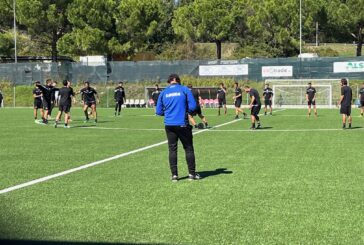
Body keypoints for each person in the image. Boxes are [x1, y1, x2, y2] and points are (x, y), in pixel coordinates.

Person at [156, 74, 200, 182]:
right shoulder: (184, 89)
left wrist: (169, 113)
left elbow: (158, 111)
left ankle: (174, 175)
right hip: (182, 123)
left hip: (169, 124)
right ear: (177, 80)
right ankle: (191, 174)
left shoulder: (164, 92)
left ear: (169, 81)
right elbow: (193, 106)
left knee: (172, 149)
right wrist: (186, 111)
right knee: (188, 148)